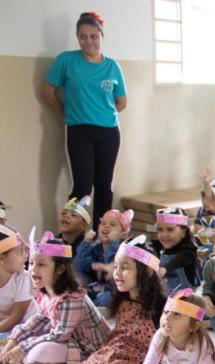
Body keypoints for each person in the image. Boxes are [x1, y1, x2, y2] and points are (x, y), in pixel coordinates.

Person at [0, 236, 167, 364]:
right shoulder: (123, 299)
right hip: (111, 352)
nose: (116, 273)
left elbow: (169, 345)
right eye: (116, 266)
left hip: (135, 363)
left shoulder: (159, 306)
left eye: (125, 267)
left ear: (146, 271)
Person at [41, 12, 126, 227]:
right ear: (78, 38)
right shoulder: (67, 60)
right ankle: (73, 233)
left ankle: (102, 234)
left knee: (104, 186)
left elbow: (121, 102)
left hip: (108, 132)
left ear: (101, 36)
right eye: (83, 36)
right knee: (82, 187)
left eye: (94, 36)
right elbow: (48, 92)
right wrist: (68, 113)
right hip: (79, 131)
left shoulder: (113, 66)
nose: (89, 41)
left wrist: (100, 113)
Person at [1, 231, 109, 364]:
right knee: (30, 343)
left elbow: (60, 335)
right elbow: (37, 320)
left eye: (41, 264)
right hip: (68, 340)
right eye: (32, 263)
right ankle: (38, 361)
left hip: (90, 348)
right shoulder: (47, 292)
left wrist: (23, 346)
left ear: (60, 269)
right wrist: (13, 341)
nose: (33, 269)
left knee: (37, 353)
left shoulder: (72, 296)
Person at [76, 208, 130, 309]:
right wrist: (86, 243)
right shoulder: (95, 247)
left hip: (115, 291)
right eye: (103, 223)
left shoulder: (124, 251)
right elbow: (79, 267)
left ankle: (93, 310)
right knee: (78, 286)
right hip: (97, 287)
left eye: (113, 224)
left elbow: (115, 277)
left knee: (105, 298)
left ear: (123, 234)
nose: (106, 226)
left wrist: (113, 243)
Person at [0, 225, 35, 340]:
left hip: (24, 330)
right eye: (20, 252)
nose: (26, 255)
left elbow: (16, 317)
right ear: (1, 258)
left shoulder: (23, 278)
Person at [152, 208, 200, 293]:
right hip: (168, 298)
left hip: (187, 300)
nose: (164, 235)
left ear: (183, 232)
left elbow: (181, 259)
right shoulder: (162, 248)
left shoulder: (189, 251)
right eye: (160, 230)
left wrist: (165, 269)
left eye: (170, 229)